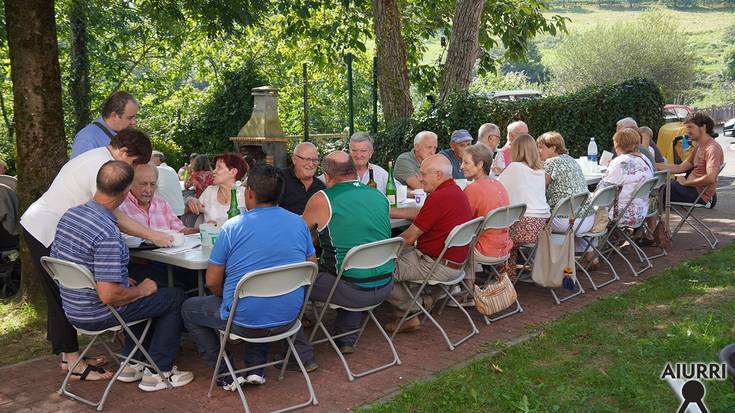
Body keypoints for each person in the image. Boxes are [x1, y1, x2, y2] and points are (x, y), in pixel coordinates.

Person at [20, 128, 172, 378]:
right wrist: (153, 235)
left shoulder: (96, 157)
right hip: (43, 229)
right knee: (61, 294)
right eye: (133, 163)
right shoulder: (102, 164)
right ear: (123, 151)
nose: (131, 171)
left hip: (46, 224)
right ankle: (72, 361)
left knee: (64, 290)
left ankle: (70, 356)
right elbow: (112, 211)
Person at [51, 161, 193, 391]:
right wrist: (141, 291)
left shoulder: (72, 215)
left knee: (140, 288)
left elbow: (75, 262)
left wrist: (123, 283)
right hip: (97, 311)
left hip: (71, 307)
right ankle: (159, 371)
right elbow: (110, 296)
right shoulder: (108, 232)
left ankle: (132, 362)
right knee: (174, 297)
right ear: (127, 192)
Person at [182, 164, 316, 388]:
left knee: (189, 308)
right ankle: (255, 369)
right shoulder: (299, 223)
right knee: (258, 296)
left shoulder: (233, 227)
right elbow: (310, 268)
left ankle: (225, 373)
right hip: (289, 315)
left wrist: (225, 296)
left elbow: (212, 281)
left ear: (250, 192)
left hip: (246, 319)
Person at [293, 151, 394, 366]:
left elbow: (297, 237)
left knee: (288, 285)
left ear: (327, 176)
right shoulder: (379, 195)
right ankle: (346, 338)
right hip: (385, 285)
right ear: (354, 170)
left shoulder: (323, 198)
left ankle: (298, 353)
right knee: (352, 265)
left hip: (350, 291)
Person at [387, 155, 472, 333]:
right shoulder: (456, 192)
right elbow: (423, 213)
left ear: (438, 175)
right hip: (456, 265)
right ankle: (426, 300)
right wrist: (390, 212)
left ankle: (411, 310)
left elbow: (409, 238)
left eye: (423, 174)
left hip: (434, 265)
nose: (419, 178)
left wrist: (382, 253)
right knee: (399, 258)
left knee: (378, 270)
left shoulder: (438, 198)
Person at [536, 132, 597, 261]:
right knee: (573, 213)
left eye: (541, 147)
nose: (538, 151)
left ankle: (547, 263)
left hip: (566, 222)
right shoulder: (571, 160)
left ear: (553, 148)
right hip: (588, 218)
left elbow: (538, 186)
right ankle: (591, 257)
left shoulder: (551, 162)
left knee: (535, 221)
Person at [498, 134, 550, 279]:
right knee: (510, 227)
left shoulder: (515, 167)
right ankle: (509, 273)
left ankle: (504, 276)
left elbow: (497, 187)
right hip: (542, 227)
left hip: (523, 227)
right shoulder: (540, 171)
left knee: (498, 231)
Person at [460, 144, 512, 286]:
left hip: (483, 249)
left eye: (466, 162)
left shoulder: (472, 189)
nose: (461, 166)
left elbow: (462, 224)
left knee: (454, 241)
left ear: (480, 164)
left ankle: (466, 290)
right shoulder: (499, 185)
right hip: (504, 247)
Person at [656, 112, 723, 207]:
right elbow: (680, 168)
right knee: (657, 187)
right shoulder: (700, 147)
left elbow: (710, 178)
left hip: (697, 194)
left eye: (690, 127)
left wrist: (686, 182)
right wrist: (653, 165)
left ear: (703, 127)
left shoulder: (712, 149)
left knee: (654, 190)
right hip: (690, 189)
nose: (687, 131)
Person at [119, 164, 198, 235]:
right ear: (130, 184)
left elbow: (181, 230)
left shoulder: (162, 204)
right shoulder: (120, 205)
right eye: (143, 184)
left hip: (167, 250)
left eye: (152, 184)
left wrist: (201, 229)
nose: (148, 190)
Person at [598, 128, 653, 227]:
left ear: (618, 144)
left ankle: (593, 242)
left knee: (584, 210)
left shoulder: (620, 162)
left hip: (619, 215)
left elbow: (602, 193)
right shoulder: (645, 159)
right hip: (641, 212)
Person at [71, 91, 138, 159]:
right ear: (114, 115)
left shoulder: (123, 133)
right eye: (130, 117)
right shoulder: (87, 138)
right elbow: (78, 168)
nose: (133, 122)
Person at [185, 152, 248, 224]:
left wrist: (218, 226)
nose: (213, 172)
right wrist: (189, 201)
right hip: (209, 235)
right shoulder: (209, 192)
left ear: (233, 172)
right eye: (215, 167)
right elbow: (187, 211)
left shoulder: (245, 195)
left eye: (219, 167)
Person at [278, 142, 325, 215]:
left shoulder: (321, 187)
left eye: (315, 160)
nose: (311, 164)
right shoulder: (279, 179)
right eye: (307, 159)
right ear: (294, 159)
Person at [150, 150, 185, 216]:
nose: (147, 162)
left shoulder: (157, 170)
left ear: (157, 159)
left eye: (149, 159)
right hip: (179, 211)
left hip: (167, 212)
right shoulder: (171, 169)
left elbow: (148, 189)